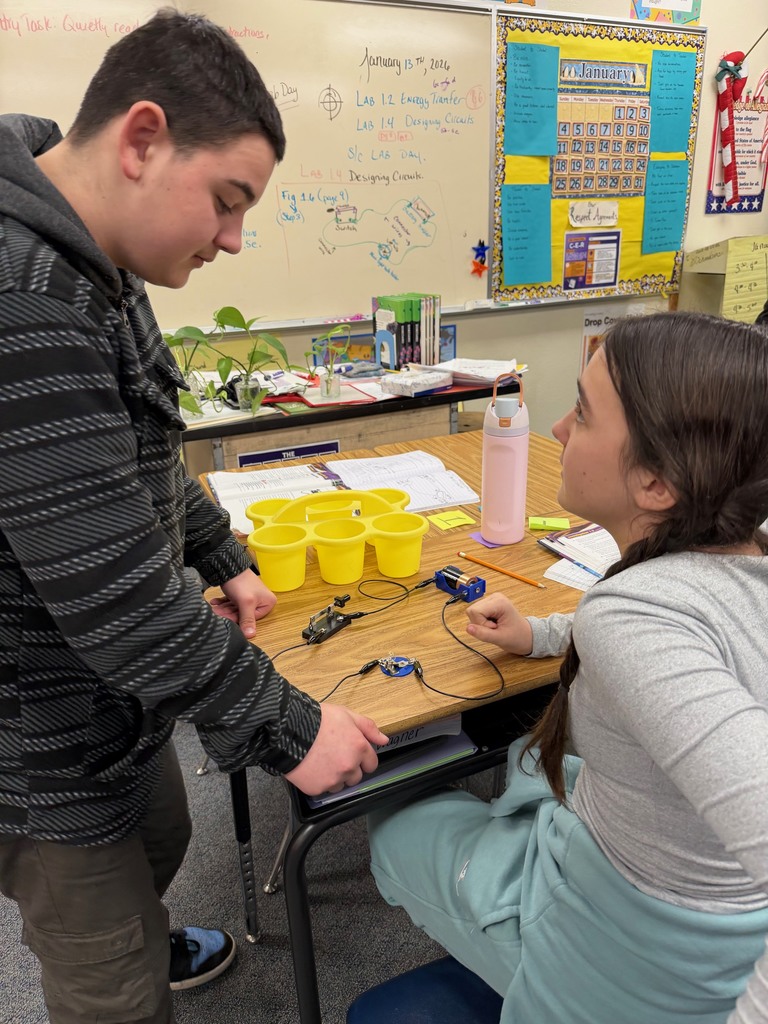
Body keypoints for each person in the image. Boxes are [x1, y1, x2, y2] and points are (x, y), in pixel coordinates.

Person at [0, 9, 387, 1023]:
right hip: (35, 741)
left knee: (161, 838)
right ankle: (118, 966)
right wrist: (291, 725)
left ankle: (136, 932)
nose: (232, 236)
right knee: (110, 980)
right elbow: (120, 601)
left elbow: (143, 439)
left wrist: (219, 549)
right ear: (141, 139)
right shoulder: (24, 296)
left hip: (109, 700)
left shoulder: (93, 246)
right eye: (226, 200)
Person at [367, 311, 768, 1024]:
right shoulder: (743, 551)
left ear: (654, 482)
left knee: (397, 831)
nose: (555, 428)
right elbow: (687, 635)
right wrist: (542, 634)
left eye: (582, 414)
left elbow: (649, 632)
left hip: (627, 959)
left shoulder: (633, 618)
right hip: (698, 898)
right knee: (531, 765)